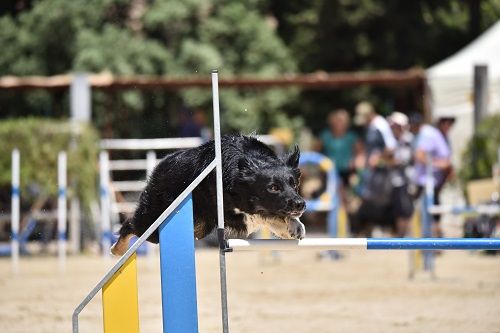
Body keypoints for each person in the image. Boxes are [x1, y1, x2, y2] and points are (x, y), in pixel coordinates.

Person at [352, 102, 397, 236]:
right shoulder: (372, 126)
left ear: (369, 115)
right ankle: (370, 229)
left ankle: (379, 229)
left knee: (374, 201)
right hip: (372, 172)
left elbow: (391, 147)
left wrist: (378, 157)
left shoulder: (380, 125)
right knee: (367, 199)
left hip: (381, 173)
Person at [413, 115, 455, 237]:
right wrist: (439, 164)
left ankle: (433, 244)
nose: (449, 125)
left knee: (435, 214)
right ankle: (431, 244)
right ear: (440, 123)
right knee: (430, 216)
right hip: (426, 184)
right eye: (447, 122)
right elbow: (419, 155)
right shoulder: (432, 135)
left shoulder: (442, 137)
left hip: (434, 184)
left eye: (451, 122)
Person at [387, 111, 414, 237]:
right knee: (399, 208)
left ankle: (404, 235)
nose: (394, 128)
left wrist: (387, 159)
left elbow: (401, 160)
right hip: (396, 180)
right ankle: (401, 234)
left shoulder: (407, 139)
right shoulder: (393, 140)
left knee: (405, 209)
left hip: (406, 180)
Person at [317, 109, 359, 188]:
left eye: (342, 121)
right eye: (337, 120)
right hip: (329, 171)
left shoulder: (352, 136)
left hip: (347, 171)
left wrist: (355, 162)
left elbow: (360, 153)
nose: (339, 123)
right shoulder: (325, 135)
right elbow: (315, 152)